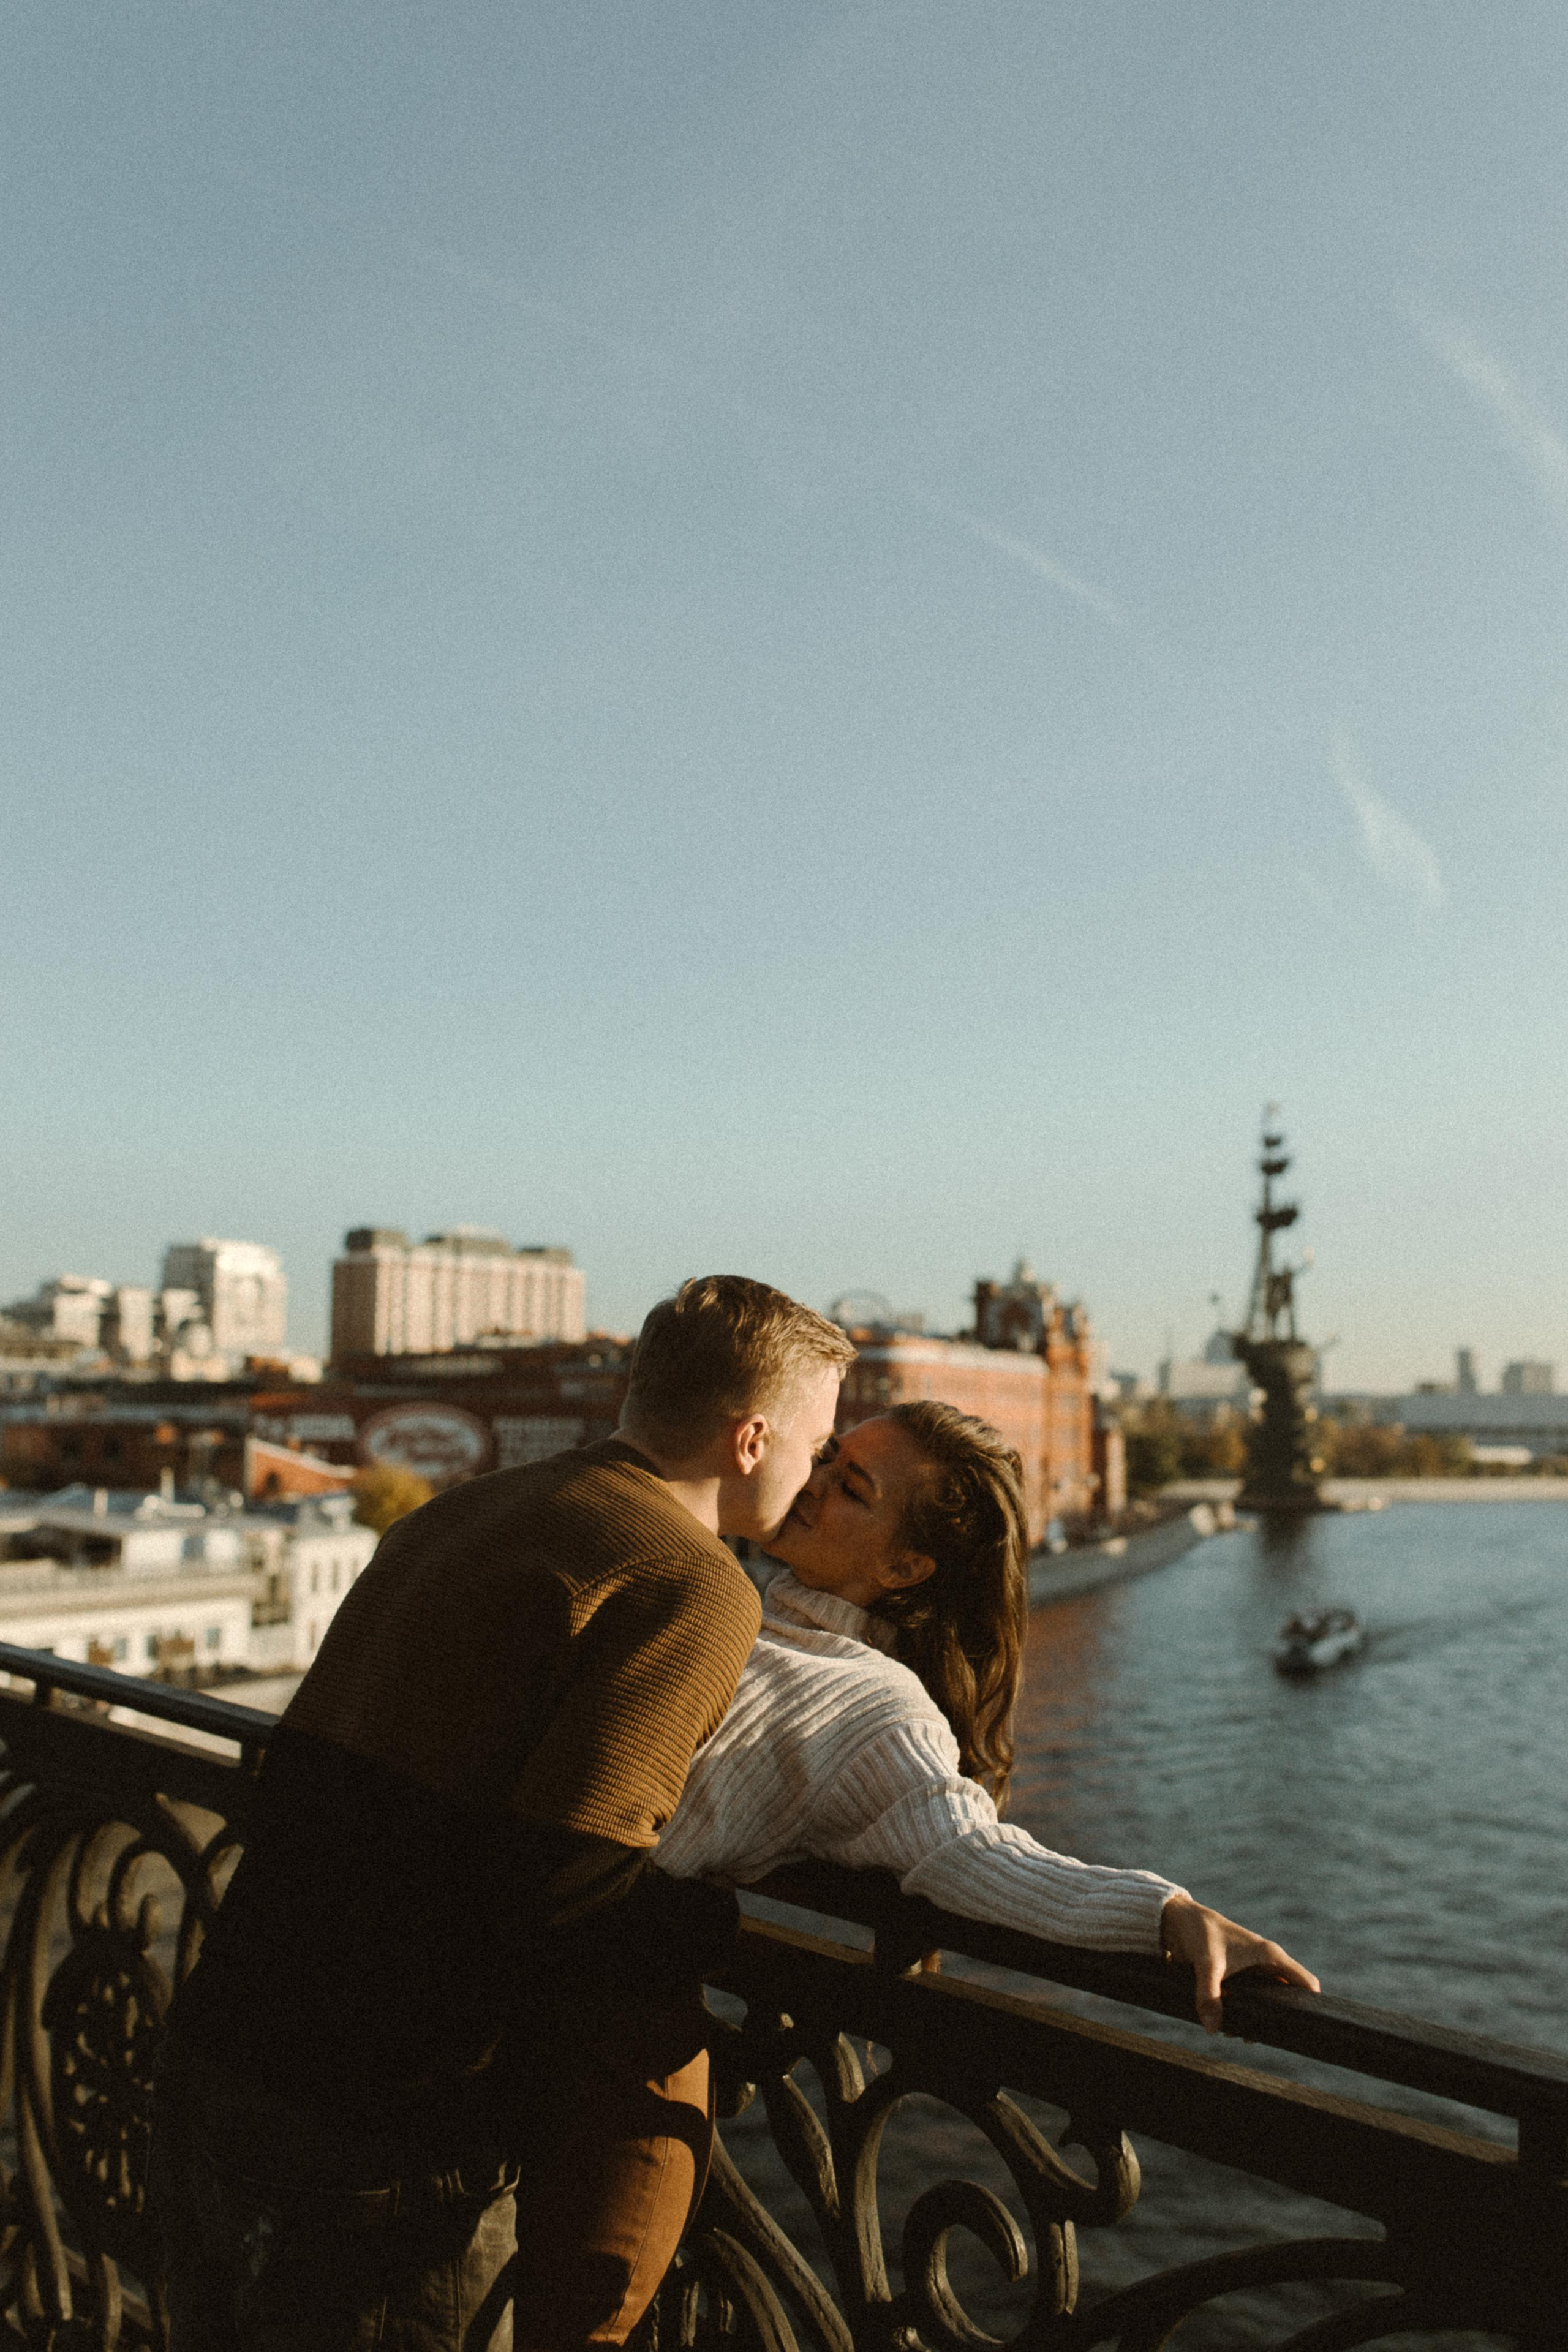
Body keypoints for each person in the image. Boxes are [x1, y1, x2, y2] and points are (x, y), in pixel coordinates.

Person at [148, 1275, 856, 2352]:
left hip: (225, 2045)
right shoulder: (695, 1581)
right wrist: (729, 1929)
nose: (817, 1475)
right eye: (818, 1445)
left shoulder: (463, 1510)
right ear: (752, 1439)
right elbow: (567, 1877)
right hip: (383, 2124)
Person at [657, 1401, 1319, 2025]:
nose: (810, 1480)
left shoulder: (876, 1707)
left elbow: (966, 1846)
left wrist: (1166, 1914)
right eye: (827, 1457)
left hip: (576, 1966)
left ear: (903, 1566)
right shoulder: (737, 1602)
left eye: (851, 1488)